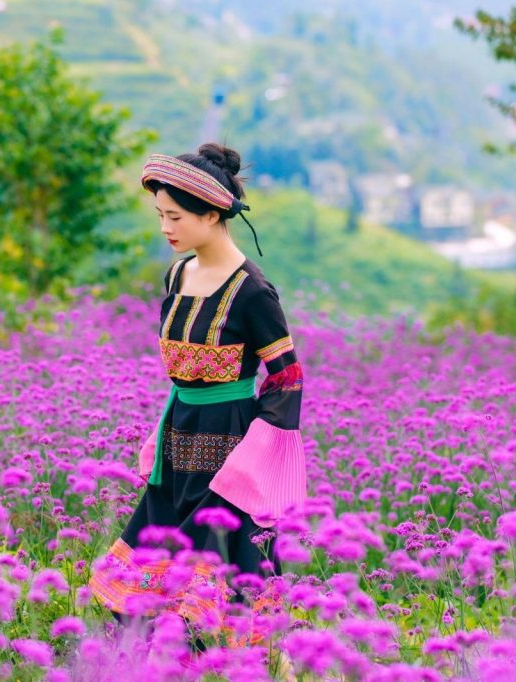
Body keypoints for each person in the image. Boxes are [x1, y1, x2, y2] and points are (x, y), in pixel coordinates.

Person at [88, 143, 307, 648]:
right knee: (148, 575)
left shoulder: (253, 292)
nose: (166, 227)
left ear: (212, 214)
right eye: (160, 215)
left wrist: (258, 455)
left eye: (176, 216)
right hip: (178, 437)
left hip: (231, 447)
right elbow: (183, 376)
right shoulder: (177, 274)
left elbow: (286, 378)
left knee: (217, 582)